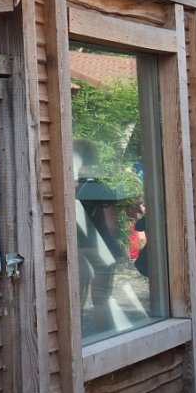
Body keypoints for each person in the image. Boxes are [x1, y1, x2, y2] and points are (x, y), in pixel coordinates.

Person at [73, 139, 126, 336]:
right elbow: (111, 225)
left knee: (74, 300)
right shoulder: (101, 188)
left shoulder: (68, 188)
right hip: (99, 248)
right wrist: (115, 245)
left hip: (75, 248)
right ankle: (105, 340)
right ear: (93, 158)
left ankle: (76, 343)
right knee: (101, 299)